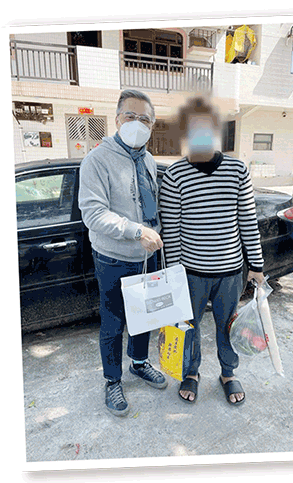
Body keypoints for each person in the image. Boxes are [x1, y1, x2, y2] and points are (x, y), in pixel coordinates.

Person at [159, 96, 265, 405]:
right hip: (191, 273)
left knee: (227, 326)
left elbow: (248, 221)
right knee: (188, 326)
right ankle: (191, 372)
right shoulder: (175, 176)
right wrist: (174, 274)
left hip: (230, 272)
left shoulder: (237, 171)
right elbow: (173, 230)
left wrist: (256, 266)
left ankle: (228, 373)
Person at [78, 89, 168, 417]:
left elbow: (152, 207)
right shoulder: (97, 160)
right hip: (113, 258)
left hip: (147, 257)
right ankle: (113, 379)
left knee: (145, 318)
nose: (137, 123)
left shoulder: (148, 160)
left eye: (145, 118)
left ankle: (140, 364)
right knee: (113, 323)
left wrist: (155, 233)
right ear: (117, 120)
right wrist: (136, 231)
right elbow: (93, 213)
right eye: (130, 116)